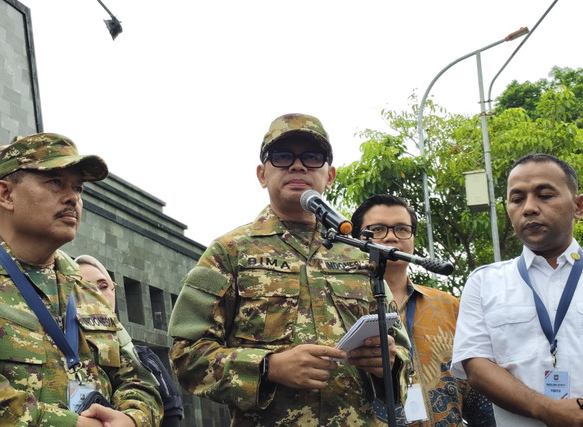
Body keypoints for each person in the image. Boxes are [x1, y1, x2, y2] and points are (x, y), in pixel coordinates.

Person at [168, 113, 411, 426]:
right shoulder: (229, 253)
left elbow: (401, 351)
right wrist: (269, 367)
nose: (298, 166)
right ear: (262, 174)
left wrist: (389, 364)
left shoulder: (361, 256)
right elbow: (186, 356)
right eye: (283, 157)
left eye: (312, 157)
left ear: (330, 174)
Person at [0, 133, 163, 426]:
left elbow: (141, 382)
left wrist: (131, 419)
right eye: (55, 182)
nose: (73, 197)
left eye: (78, 188)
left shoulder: (89, 294)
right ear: (6, 194)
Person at [451, 153, 583, 426]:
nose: (529, 208)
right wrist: (548, 409)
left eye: (544, 195)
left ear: (578, 207)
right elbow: (476, 366)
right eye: (517, 199)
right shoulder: (484, 282)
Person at [351, 194, 496, 426]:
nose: (390, 237)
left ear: (413, 239)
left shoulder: (449, 306)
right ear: (357, 239)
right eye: (377, 229)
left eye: (401, 229)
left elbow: (477, 390)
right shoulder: (341, 306)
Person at [76, 254, 184, 427]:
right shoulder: (61, 352)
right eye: (84, 287)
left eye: (103, 286)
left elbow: (171, 412)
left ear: (114, 290)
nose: (96, 294)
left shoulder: (142, 357)